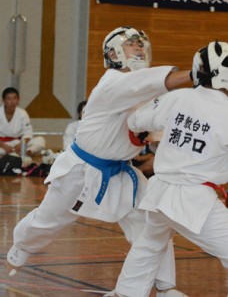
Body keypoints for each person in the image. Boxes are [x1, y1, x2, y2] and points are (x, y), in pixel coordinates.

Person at [6, 26, 191, 297]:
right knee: (48, 221)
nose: (139, 48)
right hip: (81, 171)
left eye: (142, 44)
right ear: (114, 53)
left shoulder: (149, 94)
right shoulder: (112, 82)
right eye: (132, 44)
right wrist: (195, 73)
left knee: (153, 222)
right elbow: (151, 82)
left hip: (122, 173)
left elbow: (154, 133)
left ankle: (164, 287)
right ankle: (22, 244)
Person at [111, 41, 228, 297]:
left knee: (150, 244)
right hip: (193, 200)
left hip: (160, 193)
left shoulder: (178, 97)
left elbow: (135, 121)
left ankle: (127, 292)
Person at [0, 87, 45, 158]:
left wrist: (21, 145)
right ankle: (16, 154)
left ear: (18, 100)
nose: (12, 101)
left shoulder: (22, 113)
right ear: (3, 100)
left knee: (40, 140)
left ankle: (27, 152)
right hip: (2, 144)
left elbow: (28, 132)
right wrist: (5, 146)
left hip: (19, 143)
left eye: (15, 98)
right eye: (9, 99)